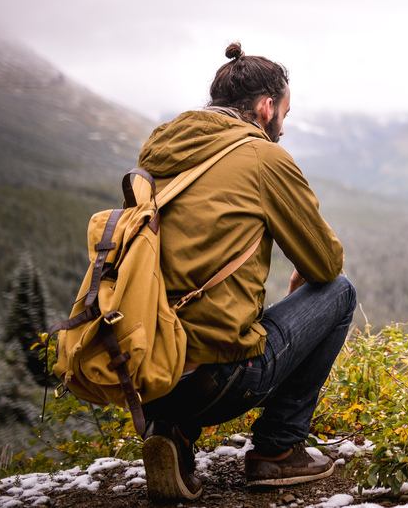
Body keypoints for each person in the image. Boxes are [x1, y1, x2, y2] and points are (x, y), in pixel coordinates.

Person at [138, 42, 355, 501]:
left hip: (148, 370)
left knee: (188, 324)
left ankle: (172, 433)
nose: (282, 129)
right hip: (222, 381)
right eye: (285, 116)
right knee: (340, 292)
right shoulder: (263, 158)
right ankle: (277, 450)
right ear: (266, 107)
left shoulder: (160, 152)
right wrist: (304, 274)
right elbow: (326, 263)